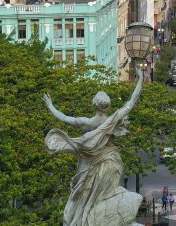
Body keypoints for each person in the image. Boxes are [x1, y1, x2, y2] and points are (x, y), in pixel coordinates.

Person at [44, 74, 145, 225]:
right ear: (108, 106)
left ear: (94, 104)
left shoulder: (87, 123)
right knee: (103, 195)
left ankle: (85, 218)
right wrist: (140, 79)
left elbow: (64, 118)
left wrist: (50, 105)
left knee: (85, 197)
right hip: (112, 163)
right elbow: (131, 101)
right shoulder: (113, 120)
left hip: (91, 166)